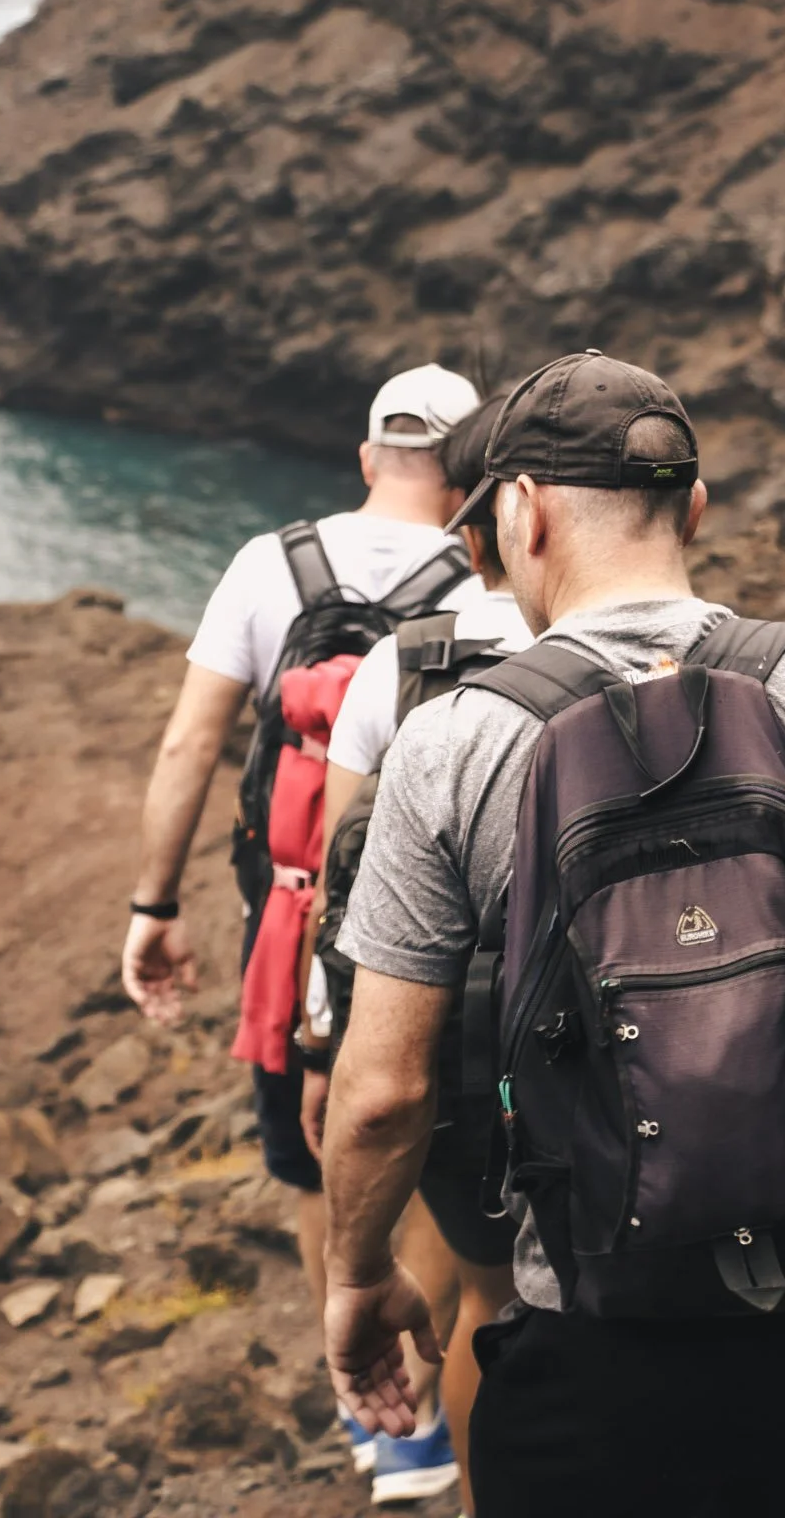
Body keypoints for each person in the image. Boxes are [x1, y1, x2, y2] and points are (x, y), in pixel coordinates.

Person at [318, 351, 785, 1518]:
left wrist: (358, 1271)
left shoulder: (454, 744)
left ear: (517, 510)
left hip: (599, 1329)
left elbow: (381, 1094)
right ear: (696, 506)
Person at [120, 361, 481, 1349]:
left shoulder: (267, 560)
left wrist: (154, 905)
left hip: (291, 922)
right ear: (466, 474)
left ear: (368, 456)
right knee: (440, 1152)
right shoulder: (481, 580)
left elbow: (189, 742)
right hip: (442, 923)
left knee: (319, 1153)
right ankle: (443, 1376)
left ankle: (372, 1400)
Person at [301, 395, 529, 1510]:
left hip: (463, 1043)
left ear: (467, 529)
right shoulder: (699, 657)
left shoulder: (404, 666)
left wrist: (320, 1046)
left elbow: (343, 879)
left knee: (492, 1289)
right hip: (650, 1040)